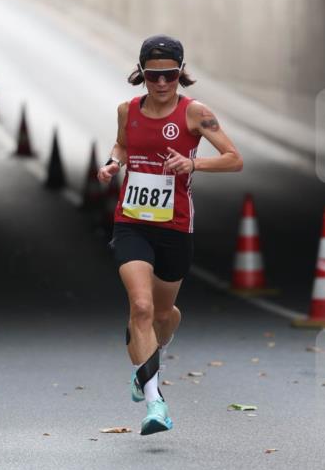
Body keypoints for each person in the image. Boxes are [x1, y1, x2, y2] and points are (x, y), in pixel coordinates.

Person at [98, 35, 243, 435]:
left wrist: (193, 165)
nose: (162, 84)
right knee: (140, 308)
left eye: (170, 75)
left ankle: (147, 364)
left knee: (164, 315)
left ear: (181, 73)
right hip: (131, 222)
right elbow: (123, 145)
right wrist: (113, 163)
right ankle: (155, 402)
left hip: (175, 227)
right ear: (141, 73)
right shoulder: (127, 110)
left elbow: (235, 159)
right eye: (153, 76)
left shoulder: (195, 113)